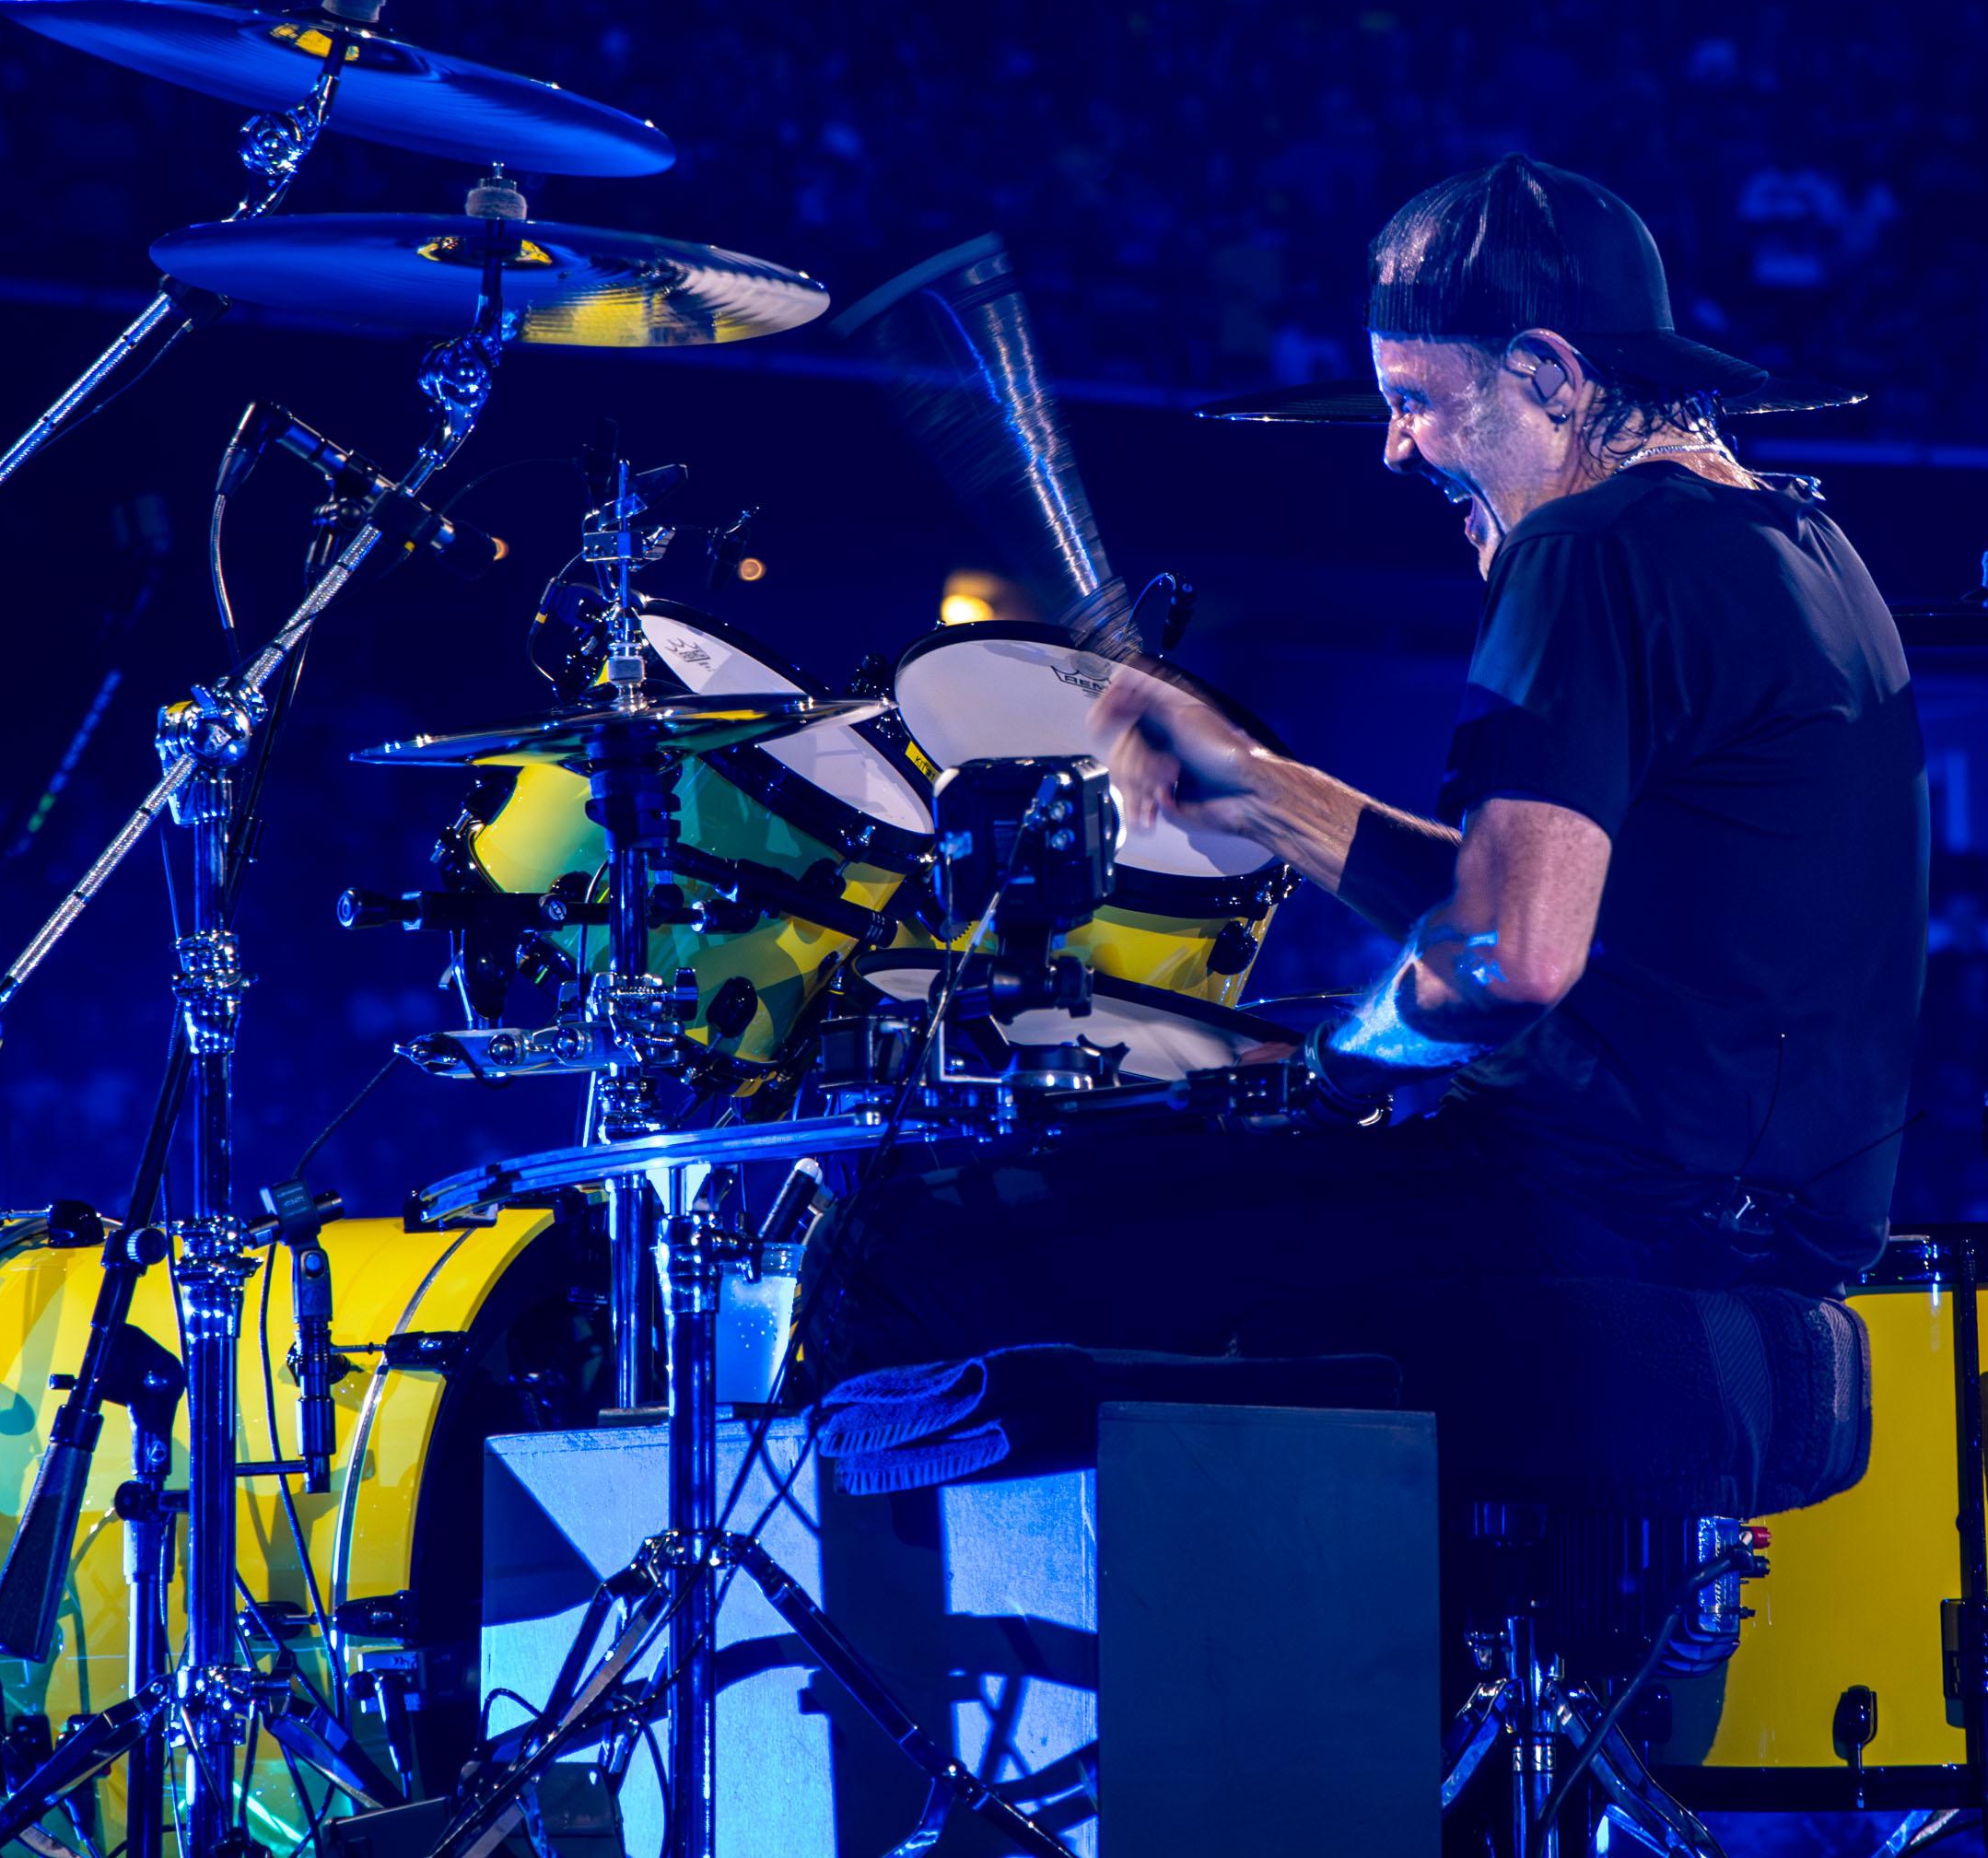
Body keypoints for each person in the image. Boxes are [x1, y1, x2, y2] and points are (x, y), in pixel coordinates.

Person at [811, 155, 1927, 1376]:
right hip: (1758, 1227)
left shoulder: (1583, 548)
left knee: (906, 1243)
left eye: (1414, 400)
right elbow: (1549, 908)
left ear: (1549, 375)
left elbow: (1508, 961)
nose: (1392, 449)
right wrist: (1258, 785)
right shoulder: (1802, 543)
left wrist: (1335, 1067)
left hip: (1591, 1211)